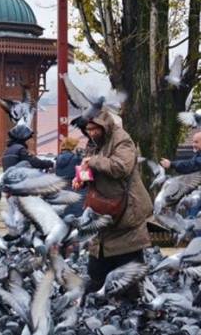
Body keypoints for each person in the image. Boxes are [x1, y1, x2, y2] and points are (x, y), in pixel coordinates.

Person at [72, 111, 152, 296]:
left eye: (94, 129)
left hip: (126, 213)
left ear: (103, 125)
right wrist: (81, 179)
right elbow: (91, 169)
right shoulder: (93, 143)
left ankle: (132, 311)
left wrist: (93, 161)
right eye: (87, 129)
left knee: (128, 275)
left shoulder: (122, 139)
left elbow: (121, 167)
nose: (91, 133)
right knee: (96, 272)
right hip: (102, 211)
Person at [160, 130, 201, 220]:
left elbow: (191, 165)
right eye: (193, 142)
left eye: (196, 142)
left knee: (193, 225)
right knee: (191, 225)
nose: (193, 145)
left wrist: (172, 164)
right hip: (196, 196)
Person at [55, 137, 83, 216]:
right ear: (72, 146)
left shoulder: (59, 157)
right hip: (71, 184)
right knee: (74, 207)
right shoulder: (75, 158)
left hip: (60, 185)